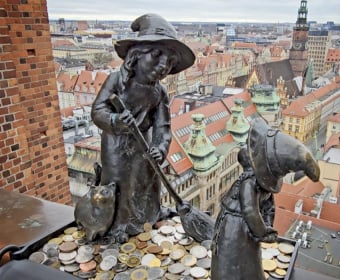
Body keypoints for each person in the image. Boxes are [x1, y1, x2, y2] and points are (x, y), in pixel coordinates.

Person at [91, 14, 195, 242]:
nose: (162, 67)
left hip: (145, 147)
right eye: (157, 56)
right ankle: (118, 226)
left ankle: (149, 216)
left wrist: (160, 147)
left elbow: (163, 127)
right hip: (116, 146)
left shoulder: (159, 93)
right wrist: (116, 121)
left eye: (169, 63)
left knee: (148, 183)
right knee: (121, 186)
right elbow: (98, 110)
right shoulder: (117, 81)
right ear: (135, 55)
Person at [211, 117, 320, 280]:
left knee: (247, 261)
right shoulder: (248, 182)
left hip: (245, 230)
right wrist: (262, 231)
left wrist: (267, 225)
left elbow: (269, 207)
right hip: (235, 227)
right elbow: (250, 211)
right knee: (232, 260)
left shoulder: (261, 185)